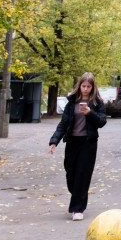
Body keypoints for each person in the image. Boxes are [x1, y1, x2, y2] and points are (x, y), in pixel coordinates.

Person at [49, 72, 107, 220]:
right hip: (72, 142)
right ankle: (77, 195)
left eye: (89, 86)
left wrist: (90, 113)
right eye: (83, 86)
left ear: (93, 87)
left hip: (88, 143)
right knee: (71, 175)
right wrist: (54, 141)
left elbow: (101, 121)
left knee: (82, 175)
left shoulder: (97, 103)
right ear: (79, 86)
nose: (86, 89)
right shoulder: (72, 102)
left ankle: (77, 209)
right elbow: (63, 124)